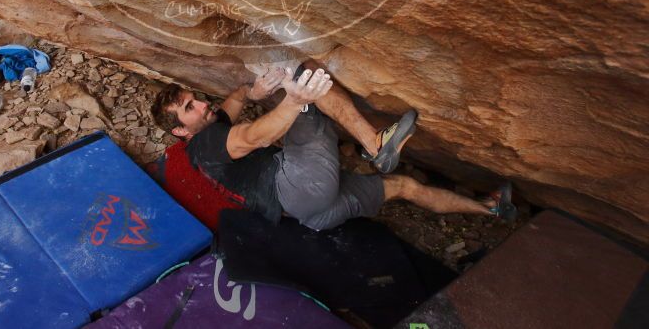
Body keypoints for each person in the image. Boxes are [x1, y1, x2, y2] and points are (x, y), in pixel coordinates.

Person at [151, 61, 516, 231]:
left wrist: (251, 91)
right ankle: (374, 144)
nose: (200, 103)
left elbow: (230, 103)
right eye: (188, 108)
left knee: (404, 187)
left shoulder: (207, 129)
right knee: (305, 75)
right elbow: (254, 137)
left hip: (311, 216)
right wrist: (293, 100)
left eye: (192, 98)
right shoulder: (208, 144)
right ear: (181, 132)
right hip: (296, 185)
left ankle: (490, 209)